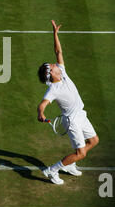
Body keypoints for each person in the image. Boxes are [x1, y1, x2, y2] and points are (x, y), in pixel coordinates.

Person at [37, 20, 99, 185]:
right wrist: (41, 113)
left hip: (81, 114)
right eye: (52, 65)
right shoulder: (53, 89)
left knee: (94, 141)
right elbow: (42, 104)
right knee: (81, 153)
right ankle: (52, 170)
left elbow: (58, 51)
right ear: (52, 74)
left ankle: (70, 164)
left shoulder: (61, 71)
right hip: (71, 120)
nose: (55, 64)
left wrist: (55, 34)